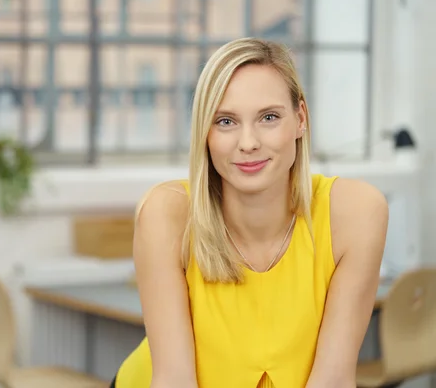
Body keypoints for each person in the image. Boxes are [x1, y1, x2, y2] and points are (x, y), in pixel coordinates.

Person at [109, 37, 389, 388]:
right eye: (225, 121)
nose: (248, 143)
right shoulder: (167, 213)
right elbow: (174, 380)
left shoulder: (356, 213)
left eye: (269, 117)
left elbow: (332, 379)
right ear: (205, 133)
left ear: (300, 119)